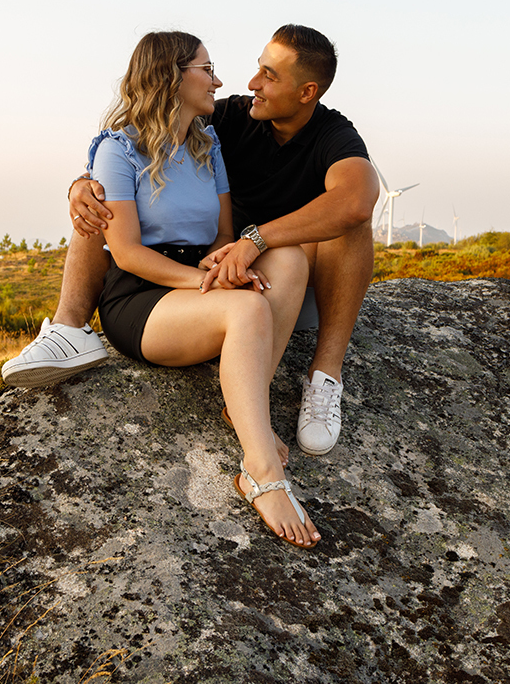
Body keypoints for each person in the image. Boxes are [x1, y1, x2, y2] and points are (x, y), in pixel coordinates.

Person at [4, 25, 378, 458]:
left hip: (286, 283)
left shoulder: (333, 134)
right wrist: (81, 184)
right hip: (213, 269)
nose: (250, 83)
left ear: (307, 91)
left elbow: (355, 201)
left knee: (347, 225)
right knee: (100, 200)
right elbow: (138, 142)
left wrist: (256, 240)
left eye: (269, 76)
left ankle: (325, 376)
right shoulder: (226, 118)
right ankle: (68, 329)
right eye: (257, 68)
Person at [18, 30, 320, 548]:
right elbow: (129, 252)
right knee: (247, 310)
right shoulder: (119, 149)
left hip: (196, 280)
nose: (219, 80)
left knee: (289, 259)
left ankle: (243, 405)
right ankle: (261, 470)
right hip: (141, 295)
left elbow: (223, 235)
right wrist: (211, 283)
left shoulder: (209, 144)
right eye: (206, 68)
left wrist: (223, 264)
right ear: (171, 77)